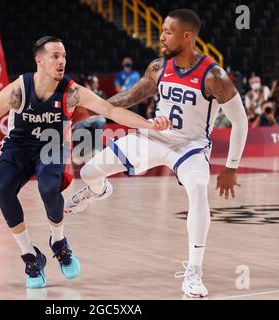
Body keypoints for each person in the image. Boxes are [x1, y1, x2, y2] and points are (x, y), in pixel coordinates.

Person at [0, 36, 169, 289]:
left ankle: (59, 243)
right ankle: (30, 256)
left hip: (52, 146)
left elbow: (112, 111)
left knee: (49, 188)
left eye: (63, 56)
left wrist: (150, 125)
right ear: (39, 60)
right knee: (3, 186)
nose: (61, 61)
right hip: (18, 147)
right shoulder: (18, 91)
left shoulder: (72, 92)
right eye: (55, 56)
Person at [65, 9, 248, 298]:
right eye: (162, 30)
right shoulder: (158, 67)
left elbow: (241, 121)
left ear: (187, 36)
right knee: (89, 172)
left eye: (168, 32)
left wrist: (231, 167)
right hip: (154, 137)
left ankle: (194, 272)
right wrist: (92, 111)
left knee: (199, 188)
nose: (161, 36)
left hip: (190, 147)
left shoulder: (214, 76)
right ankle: (99, 191)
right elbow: (130, 96)